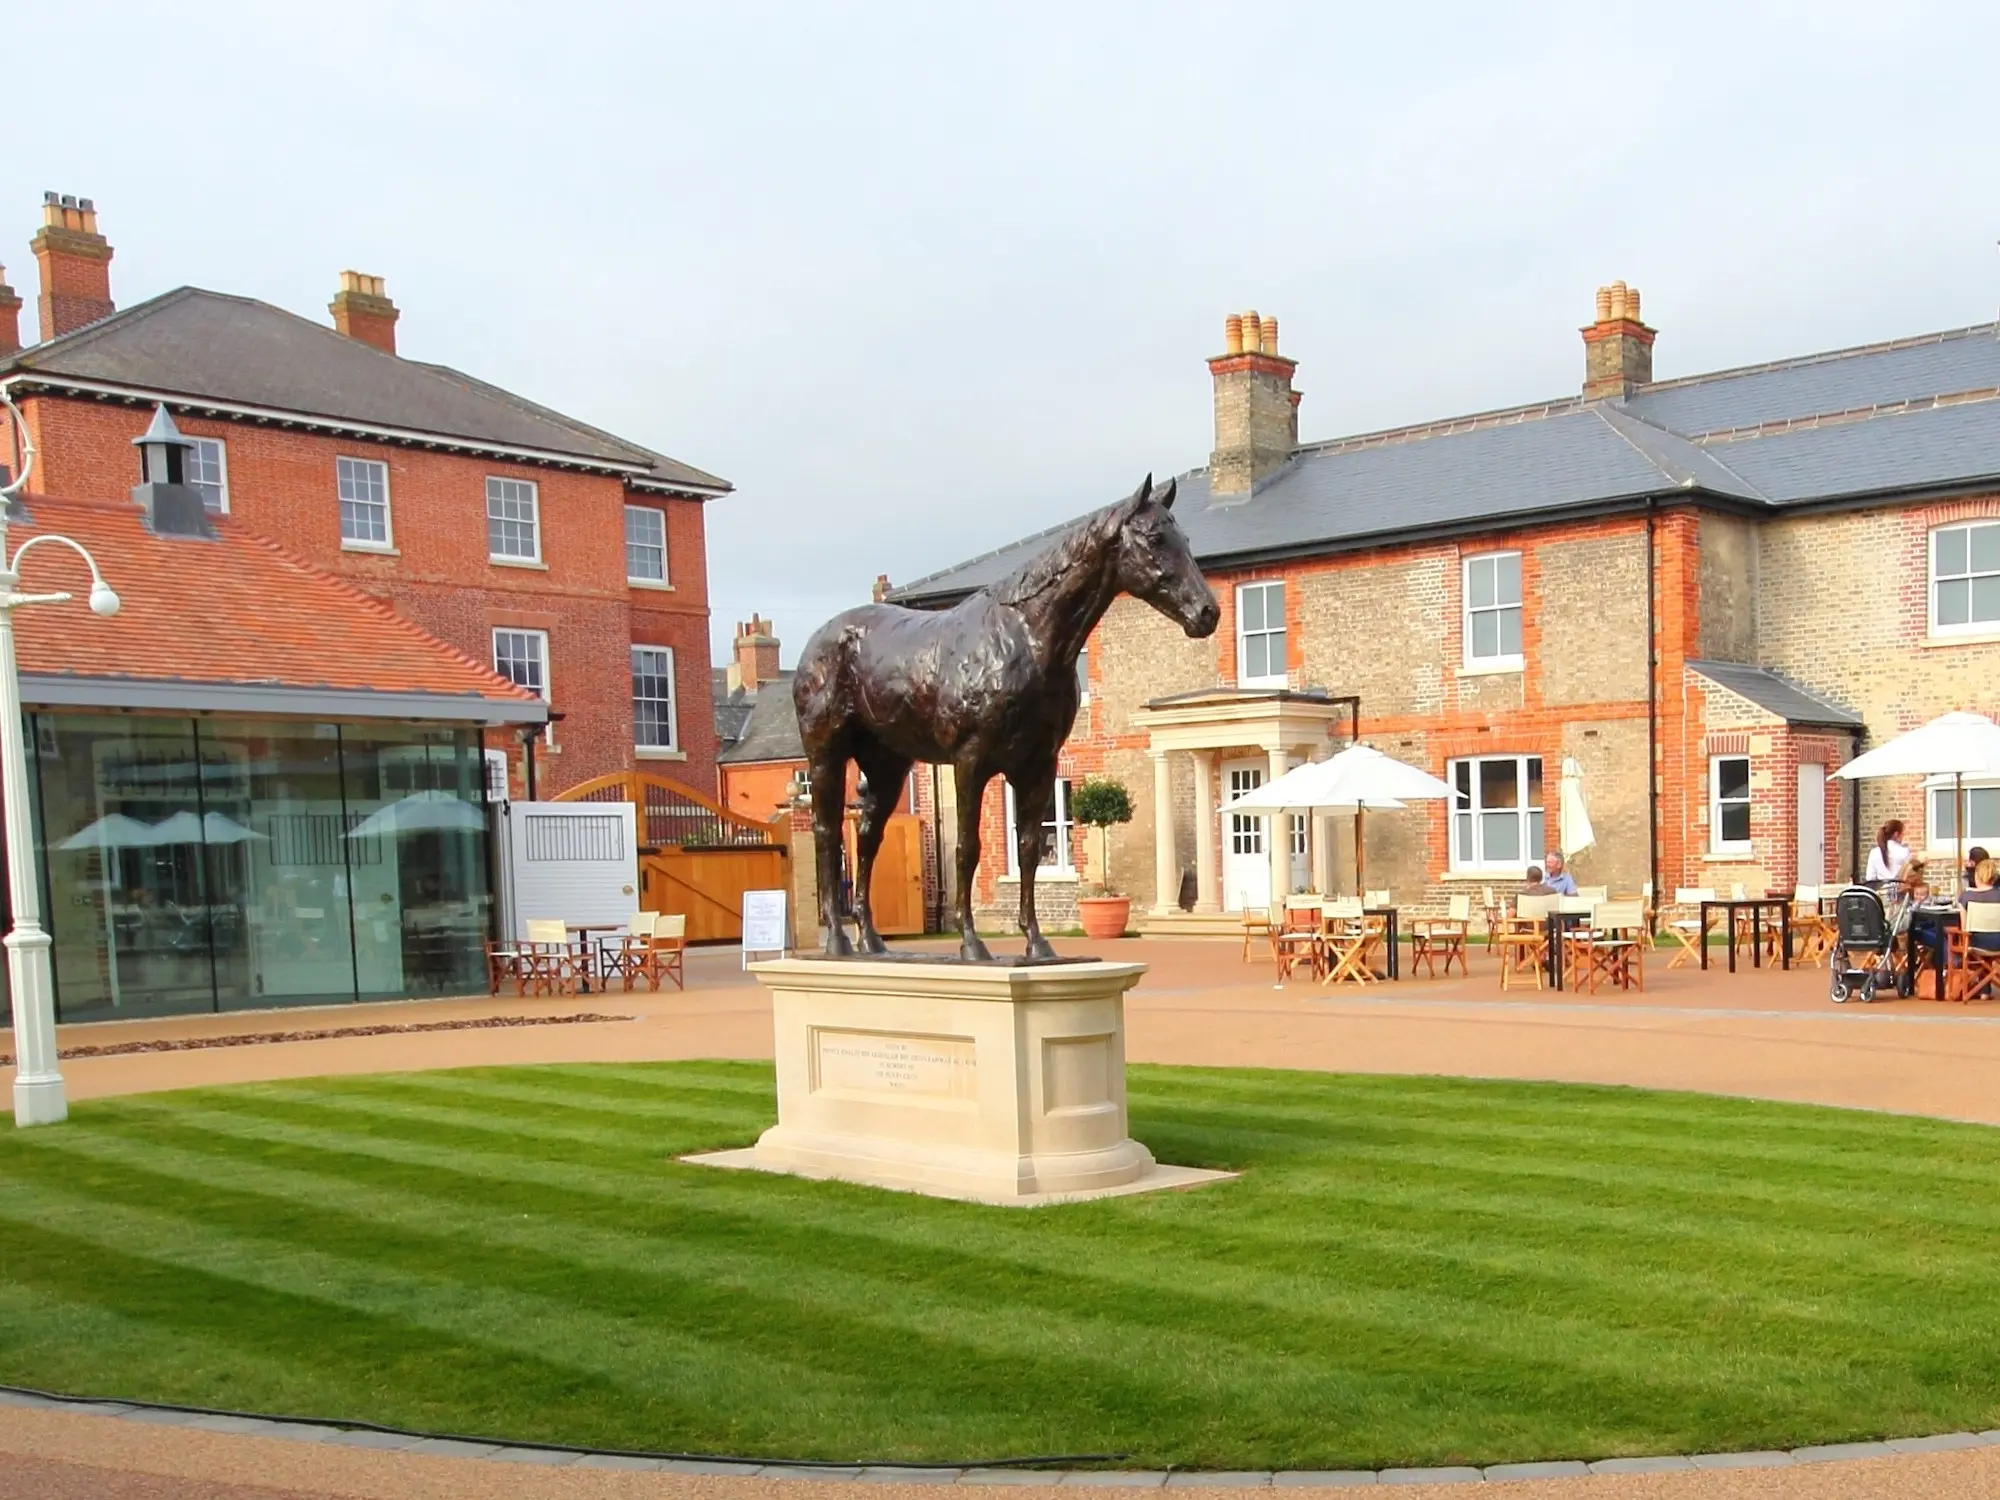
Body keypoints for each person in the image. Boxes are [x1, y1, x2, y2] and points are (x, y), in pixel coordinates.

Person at [1864, 820, 1911, 884]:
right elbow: (1909, 875)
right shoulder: (1904, 851)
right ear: (1896, 834)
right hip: (1898, 891)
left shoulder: (1874, 852)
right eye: (1902, 834)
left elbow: (1870, 878)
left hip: (1881, 891)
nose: (1903, 837)